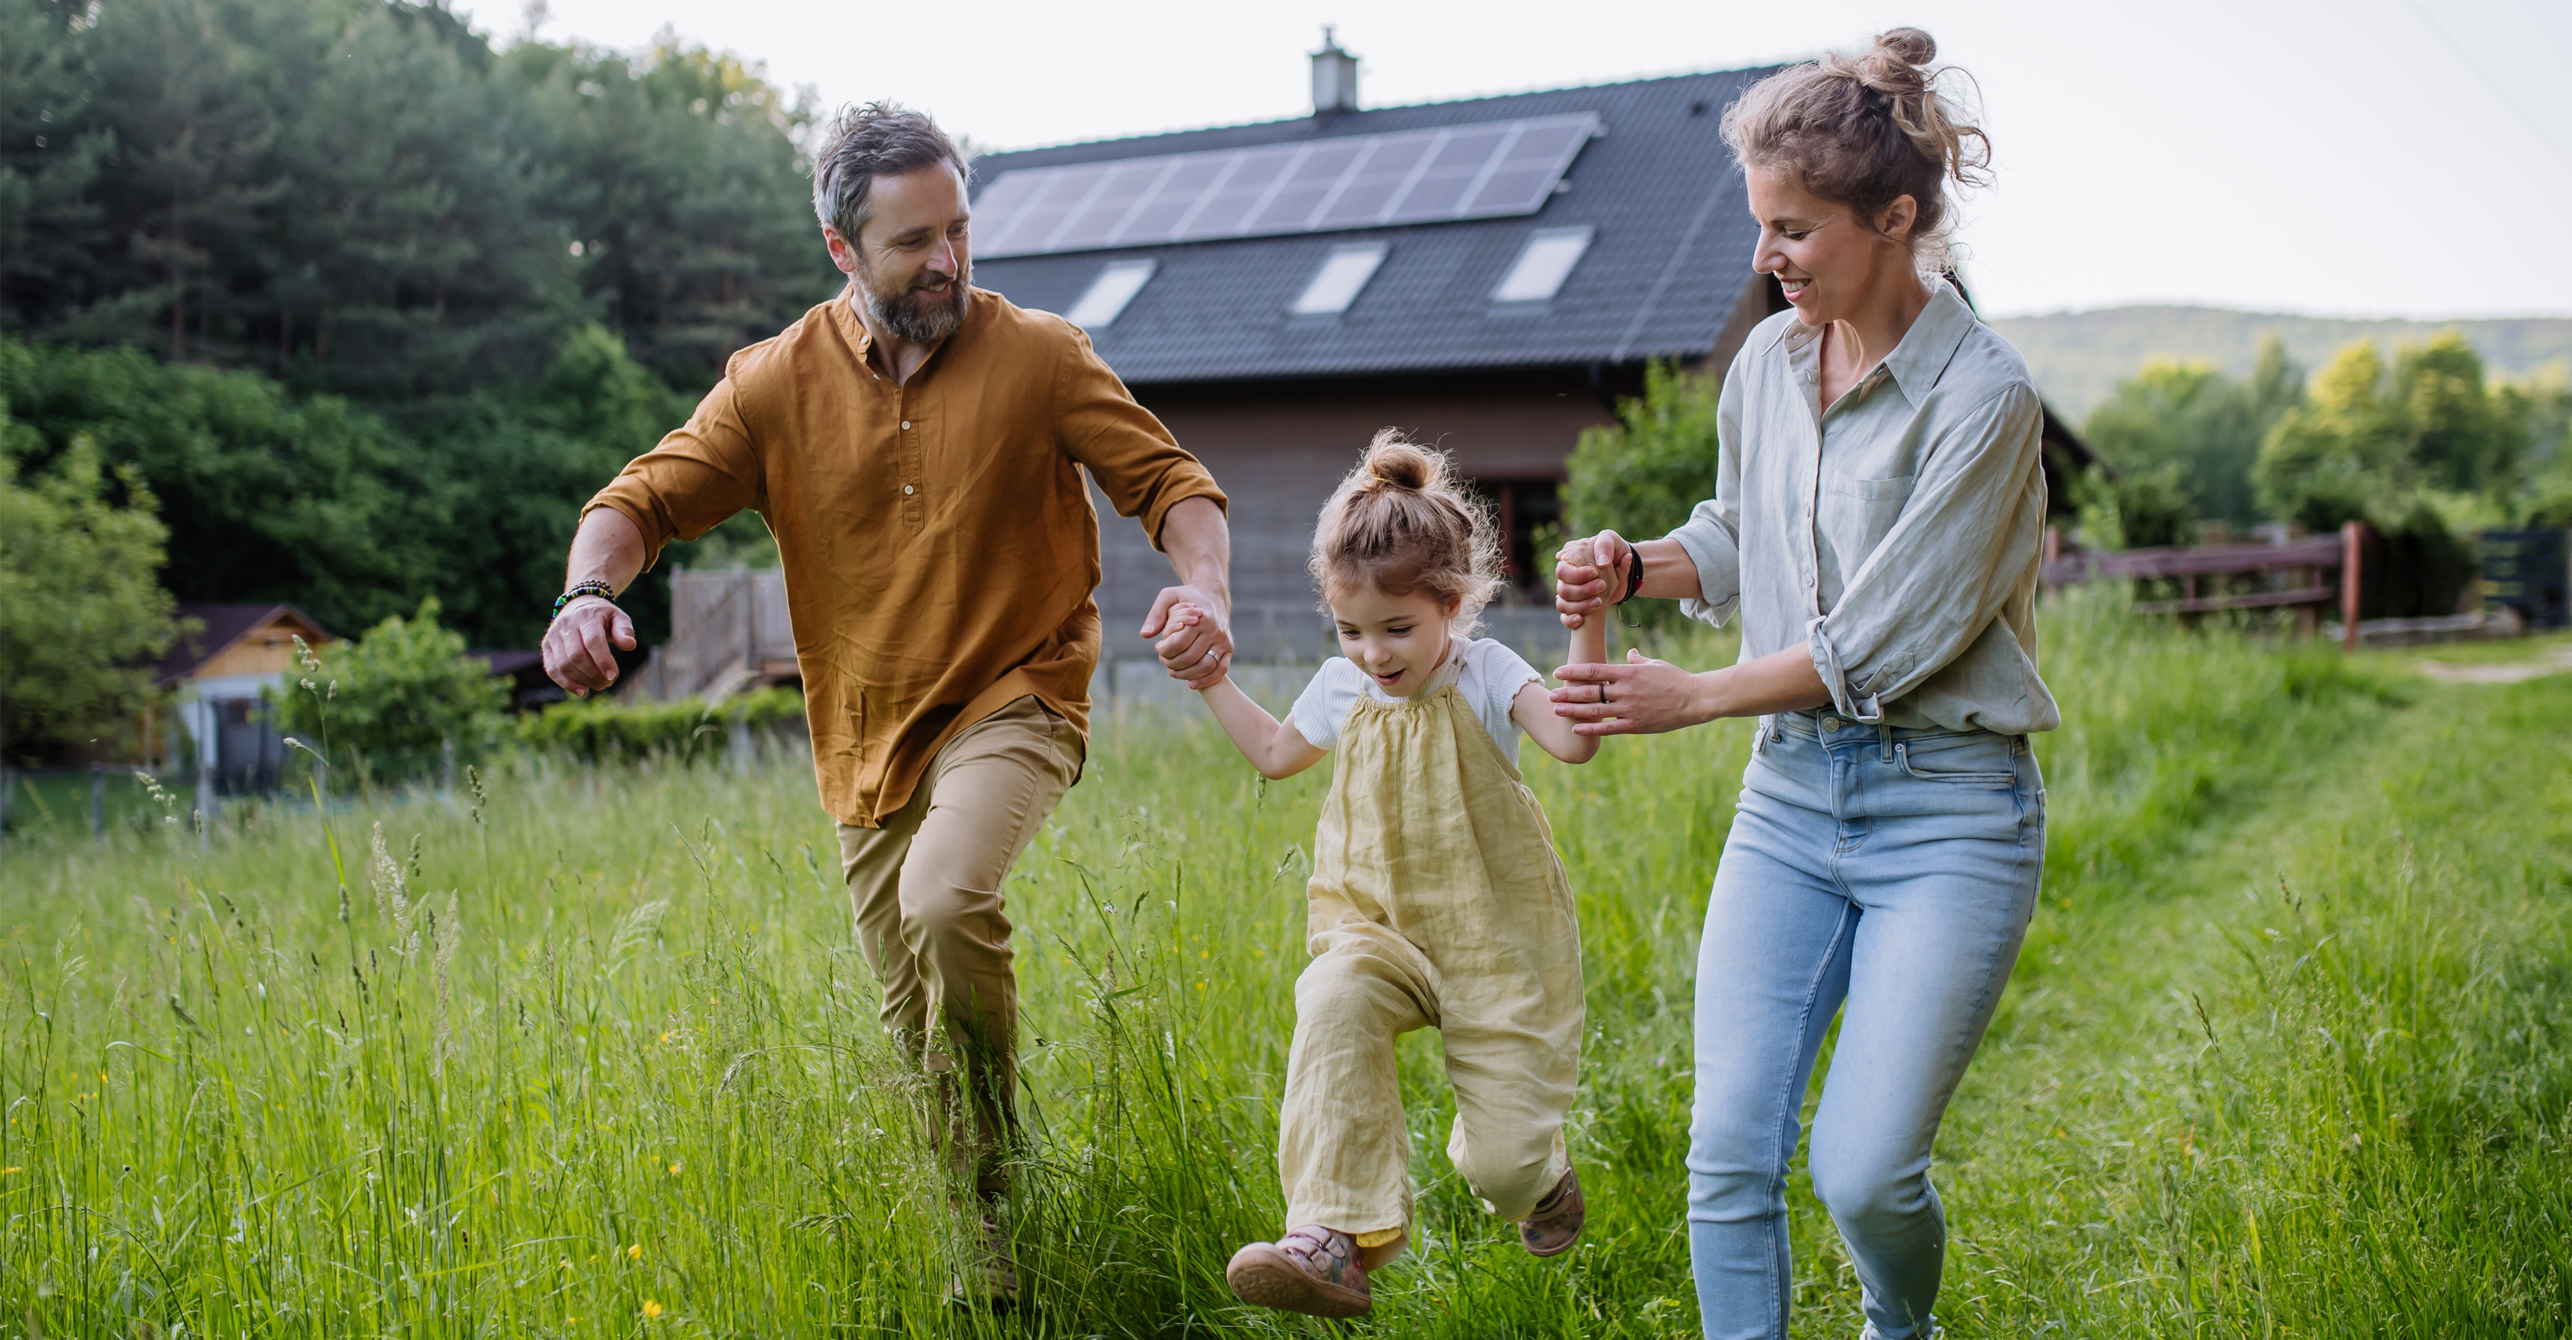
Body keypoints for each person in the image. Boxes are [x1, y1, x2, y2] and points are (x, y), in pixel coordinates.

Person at [538, 102, 1235, 1307]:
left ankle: (1001, 1171)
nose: (948, 260)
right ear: (840, 249)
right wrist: (587, 594)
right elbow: (637, 499)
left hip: (1018, 693)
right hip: (866, 738)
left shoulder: (1041, 355)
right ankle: (992, 1242)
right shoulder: (771, 385)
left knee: (948, 894)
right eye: (914, 240)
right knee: (914, 1030)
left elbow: (1172, 482)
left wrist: (1205, 586)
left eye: (959, 228)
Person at [1549, 29, 2055, 1340]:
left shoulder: (1984, 402)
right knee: (1726, 1155)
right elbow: (1737, 538)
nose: (1767, 257)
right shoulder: (1770, 366)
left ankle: (1904, 1326)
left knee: (1864, 1172)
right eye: (1761, 224)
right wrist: (1637, 562)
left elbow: (1882, 638)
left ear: (1894, 219)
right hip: (1790, 805)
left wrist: (1696, 696)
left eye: (1795, 229)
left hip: (1948, 811)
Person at [1169, 433, 1606, 1320]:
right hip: (1376, 932)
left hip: (1494, 939)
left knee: (1504, 1170)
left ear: (1453, 604)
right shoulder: (1343, 687)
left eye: (1397, 628)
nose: (1374, 652)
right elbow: (1271, 751)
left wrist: (1587, 619)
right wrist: (1210, 676)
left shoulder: (1486, 673)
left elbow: (1575, 739)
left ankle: (1540, 1179)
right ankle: (1332, 1238)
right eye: (1352, 630)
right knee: (1329, 998)